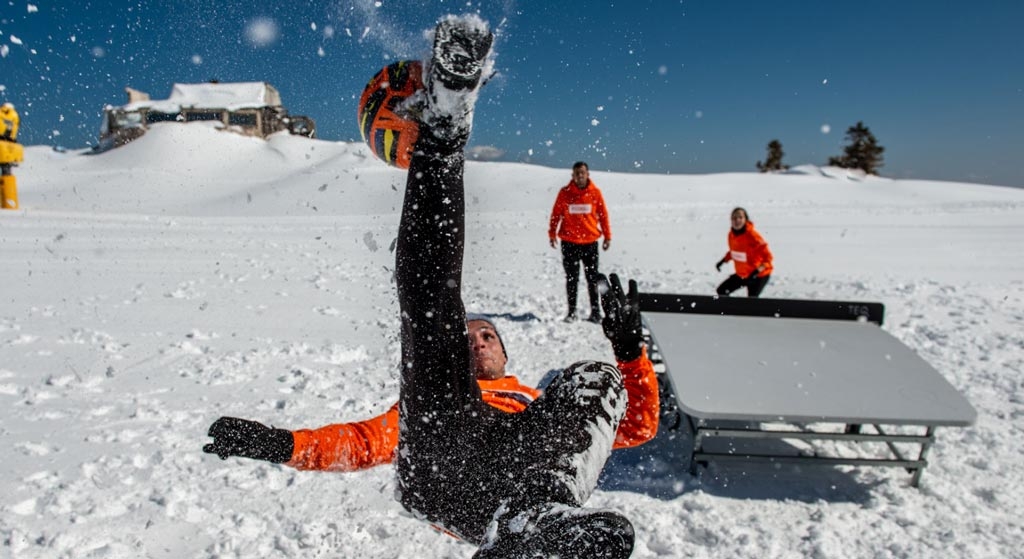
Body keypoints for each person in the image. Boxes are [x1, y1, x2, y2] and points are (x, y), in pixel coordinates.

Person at [205, 15, 654, 559]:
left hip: (532, 478)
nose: (478, 339)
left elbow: (631, 428)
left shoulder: (535, 404)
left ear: (506, 354)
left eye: (487, 334)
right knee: (431, 305)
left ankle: (531, 525)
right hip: (448, 468)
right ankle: (443, 124)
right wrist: (280, 445)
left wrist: (630, 353)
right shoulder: (443, 389)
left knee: (594, 377)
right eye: (473, 335)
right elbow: (364, 442)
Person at [548, 161, 612, 323]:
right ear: (573, 175)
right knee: (572, 278)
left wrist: (607, 236)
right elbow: (556, 214)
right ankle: (572, 312)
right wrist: (552, 233)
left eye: (582, 172)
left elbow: (603, 215)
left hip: (590, 243)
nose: (580, 175)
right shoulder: (565, 193)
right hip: (569, 243)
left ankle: (595, 312)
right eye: (577, 173)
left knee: (592, 279)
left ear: (588, 174)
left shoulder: (595, 193)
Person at [715, 206, 774, 297]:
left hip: (759, 276)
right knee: (722, 291)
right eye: (734, 218)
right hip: (742, 274)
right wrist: (723, 261)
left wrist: (756, 272)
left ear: (746, 219)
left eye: (740, 217)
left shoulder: (753, 237)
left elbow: (768, 259)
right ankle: (729, 310)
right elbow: (734, 252)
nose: (737, 220)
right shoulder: (731, 235)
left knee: (751, 301)